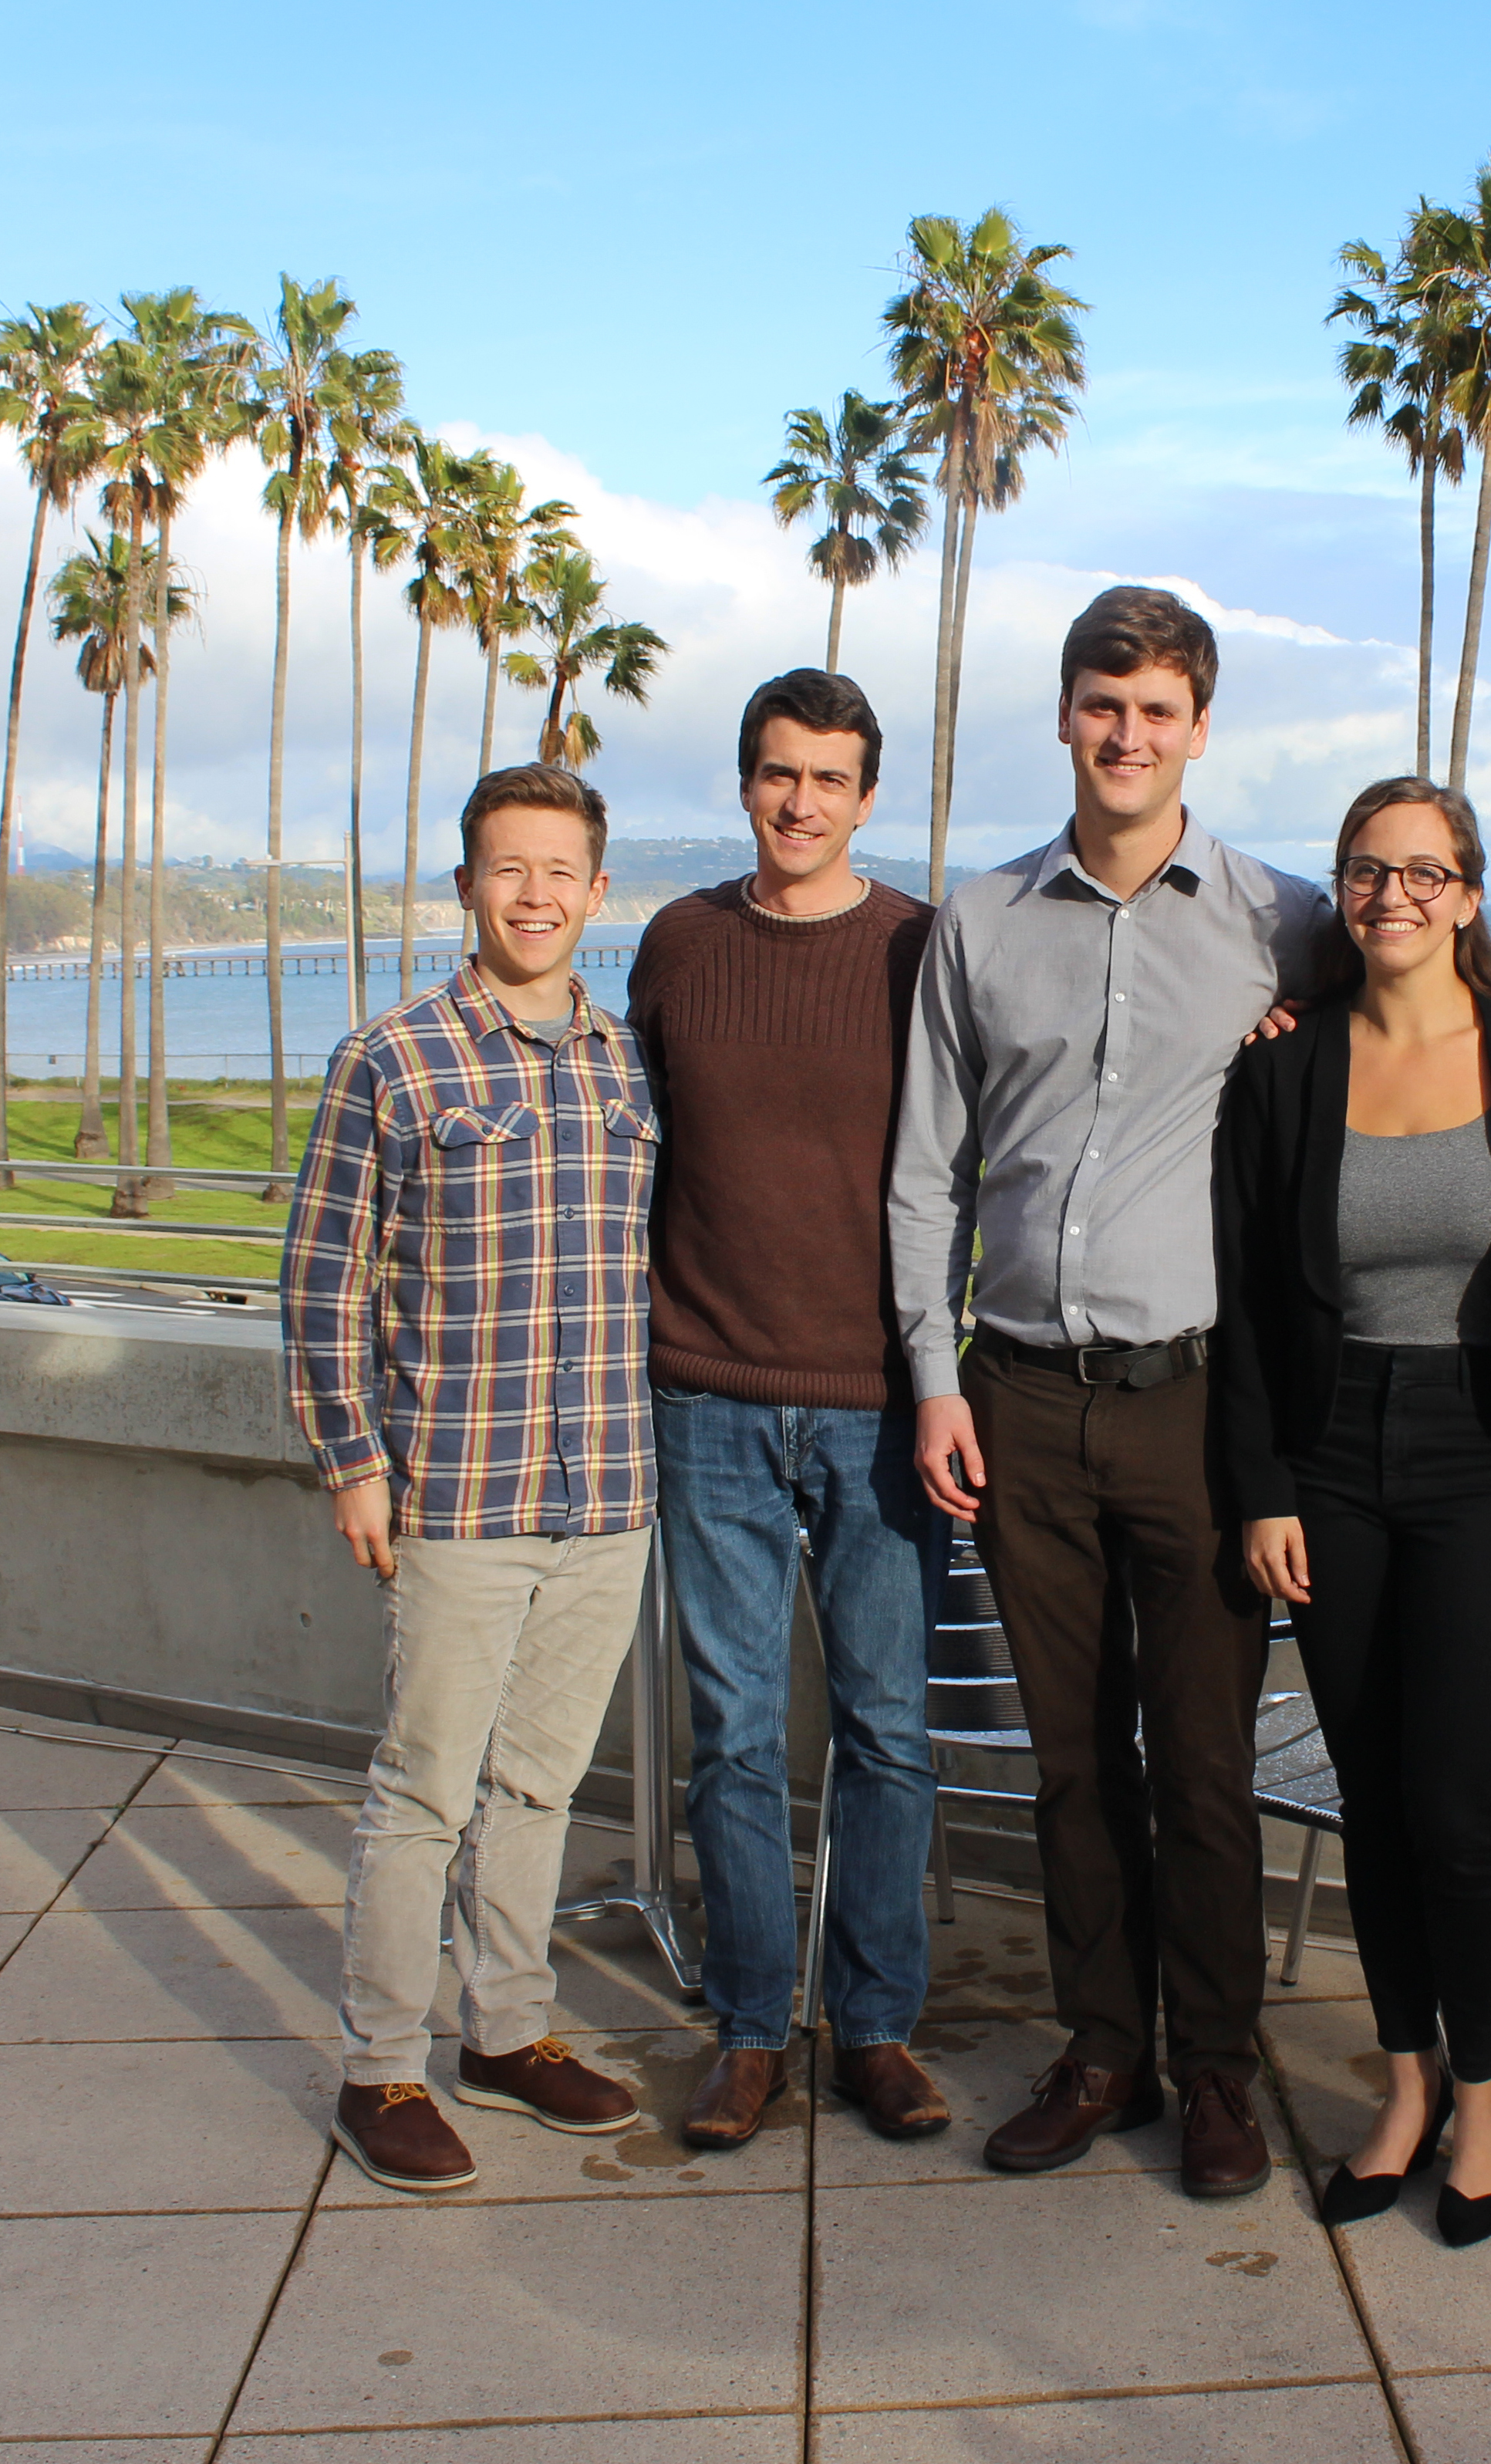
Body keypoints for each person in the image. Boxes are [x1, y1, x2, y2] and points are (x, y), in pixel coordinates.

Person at [889, 584, 1326, 2200]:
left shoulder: (1289, 921)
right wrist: (936, 1381)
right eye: (1102, 703)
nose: (1127, 735)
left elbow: (1445, 1050)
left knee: (1204, 1763)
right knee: (1072, 1760)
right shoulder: (981, 920)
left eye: (1158, 710)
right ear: (1067, 714)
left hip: (1201, 1410)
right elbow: (925, 1172)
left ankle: (1217, 2072)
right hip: (1017, 1400)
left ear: (1198, 728)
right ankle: (1102, 2050)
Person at [282, 763, 659, 2194]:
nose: (537, 896)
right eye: (509, 869)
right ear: (465, 888)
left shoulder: (622, 1061)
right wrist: (351, 1462)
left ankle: (508, 2033)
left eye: (561, 871)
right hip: (458, 1488)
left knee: (543, 1786)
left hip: (607, 1488)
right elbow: (323, 1278)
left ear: (598, 892)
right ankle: (380, 2065)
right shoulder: (394, 1059)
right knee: (423, 1789)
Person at [1214, 775, 1491, 2247]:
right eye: (1367, 873)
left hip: (1488, 1452)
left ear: (1469, 895)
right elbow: (1239, 1297)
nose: (1394, 898)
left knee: (1450, 1801)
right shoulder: (1285, 1068)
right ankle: (1407, 2082)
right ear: (1340, 896)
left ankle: (1485, 2097)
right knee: (1369, 1797)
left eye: (1425, 874)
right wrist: (1263, 1489)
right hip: (1333, 1452)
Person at [629, 670, 950, 2151]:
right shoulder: (678, 946)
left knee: (887, 1732)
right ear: (745, 784)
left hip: (883, 1408)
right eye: (778, 774)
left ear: (867, 797)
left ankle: (876, 2026)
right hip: (706, 1397)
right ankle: (756, 2028)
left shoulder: (920, 951)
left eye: (830, 778)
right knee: (733, 1735)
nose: (801, 801)